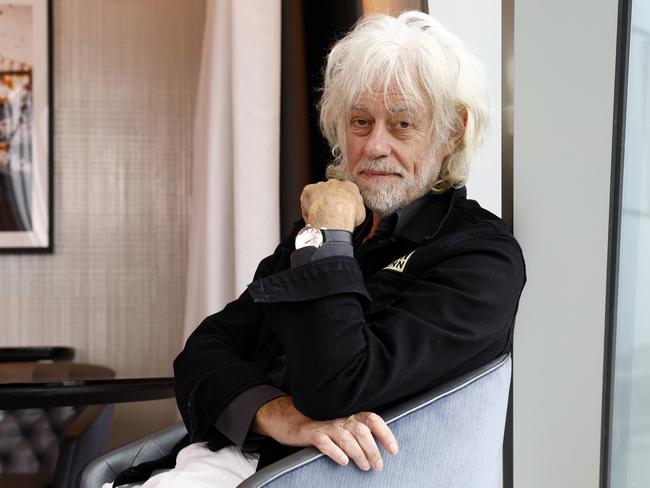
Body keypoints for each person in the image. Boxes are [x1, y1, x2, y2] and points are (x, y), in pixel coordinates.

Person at [110, 10, 525, 488]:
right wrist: (278, 416)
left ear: (452, 131)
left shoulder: (479, 258)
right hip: (214, 461)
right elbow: (202, 353)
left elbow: (339, 386)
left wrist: (328, 237)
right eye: (361, 122)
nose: (374, 146)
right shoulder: (322, 232)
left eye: (403, 124)